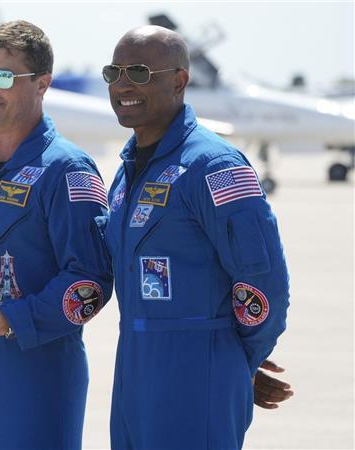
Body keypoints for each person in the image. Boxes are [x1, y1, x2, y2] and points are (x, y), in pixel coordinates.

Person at [102, 25, 290, 448]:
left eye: (139, 72)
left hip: (197, 375)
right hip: (134, 370)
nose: (123, 84)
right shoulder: (128, 171)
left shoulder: (214, 165)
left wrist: (236, 359)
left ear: (179, 81)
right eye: (114, 73)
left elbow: (263, 283)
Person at [0, 21, 113, 449]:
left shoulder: (68, 170)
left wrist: (5, 322)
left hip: (36, 382)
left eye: (3, 76)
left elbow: (90, 282)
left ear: (42, 84)